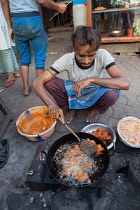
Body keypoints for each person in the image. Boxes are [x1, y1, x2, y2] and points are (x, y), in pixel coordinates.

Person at [33, 26, 130, 124]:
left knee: (112, 93)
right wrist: (52, 105)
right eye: (81, 55)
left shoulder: (103, 55)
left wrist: (91, 80)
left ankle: (96, 109)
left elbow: (125, 84)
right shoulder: (67, 58)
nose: (86, 61)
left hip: (95, 90)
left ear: (97, 50)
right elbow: (38, 82)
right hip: (74, 90)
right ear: (74, 49)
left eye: (91, 55)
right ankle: (69, 107)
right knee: (49, 82)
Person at [8, 0, 67, 96]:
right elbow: (41, 0)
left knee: (24, 57)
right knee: (39, 56)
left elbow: (3, 3)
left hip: (16, 20)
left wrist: (9, 27)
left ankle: (26, 88)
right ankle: (39, 87)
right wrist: (58, 7)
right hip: (32, 18)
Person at [0, 0, 21, 88]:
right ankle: (15, 71)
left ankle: (10, 74)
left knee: (4, 47)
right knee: (5, 46)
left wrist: (9, 26)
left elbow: (4, 2)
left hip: (1, 19)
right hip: (2, 17)